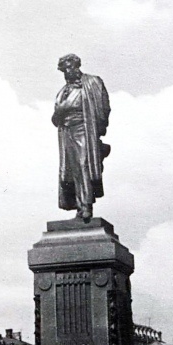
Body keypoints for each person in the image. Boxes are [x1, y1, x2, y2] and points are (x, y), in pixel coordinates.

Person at [52, 53, 111, 221]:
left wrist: (98, 130)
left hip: (84, 129)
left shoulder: (92, 82)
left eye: (69, 68)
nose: (67, 72)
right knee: (71, 170)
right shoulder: (62, 92)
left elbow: (104, 106)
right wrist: (60, 111)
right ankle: (79, 206)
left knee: (84, 164)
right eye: (63, 70)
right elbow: (55, 118)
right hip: (67, 132)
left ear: (77, 66)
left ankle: (86, 206)